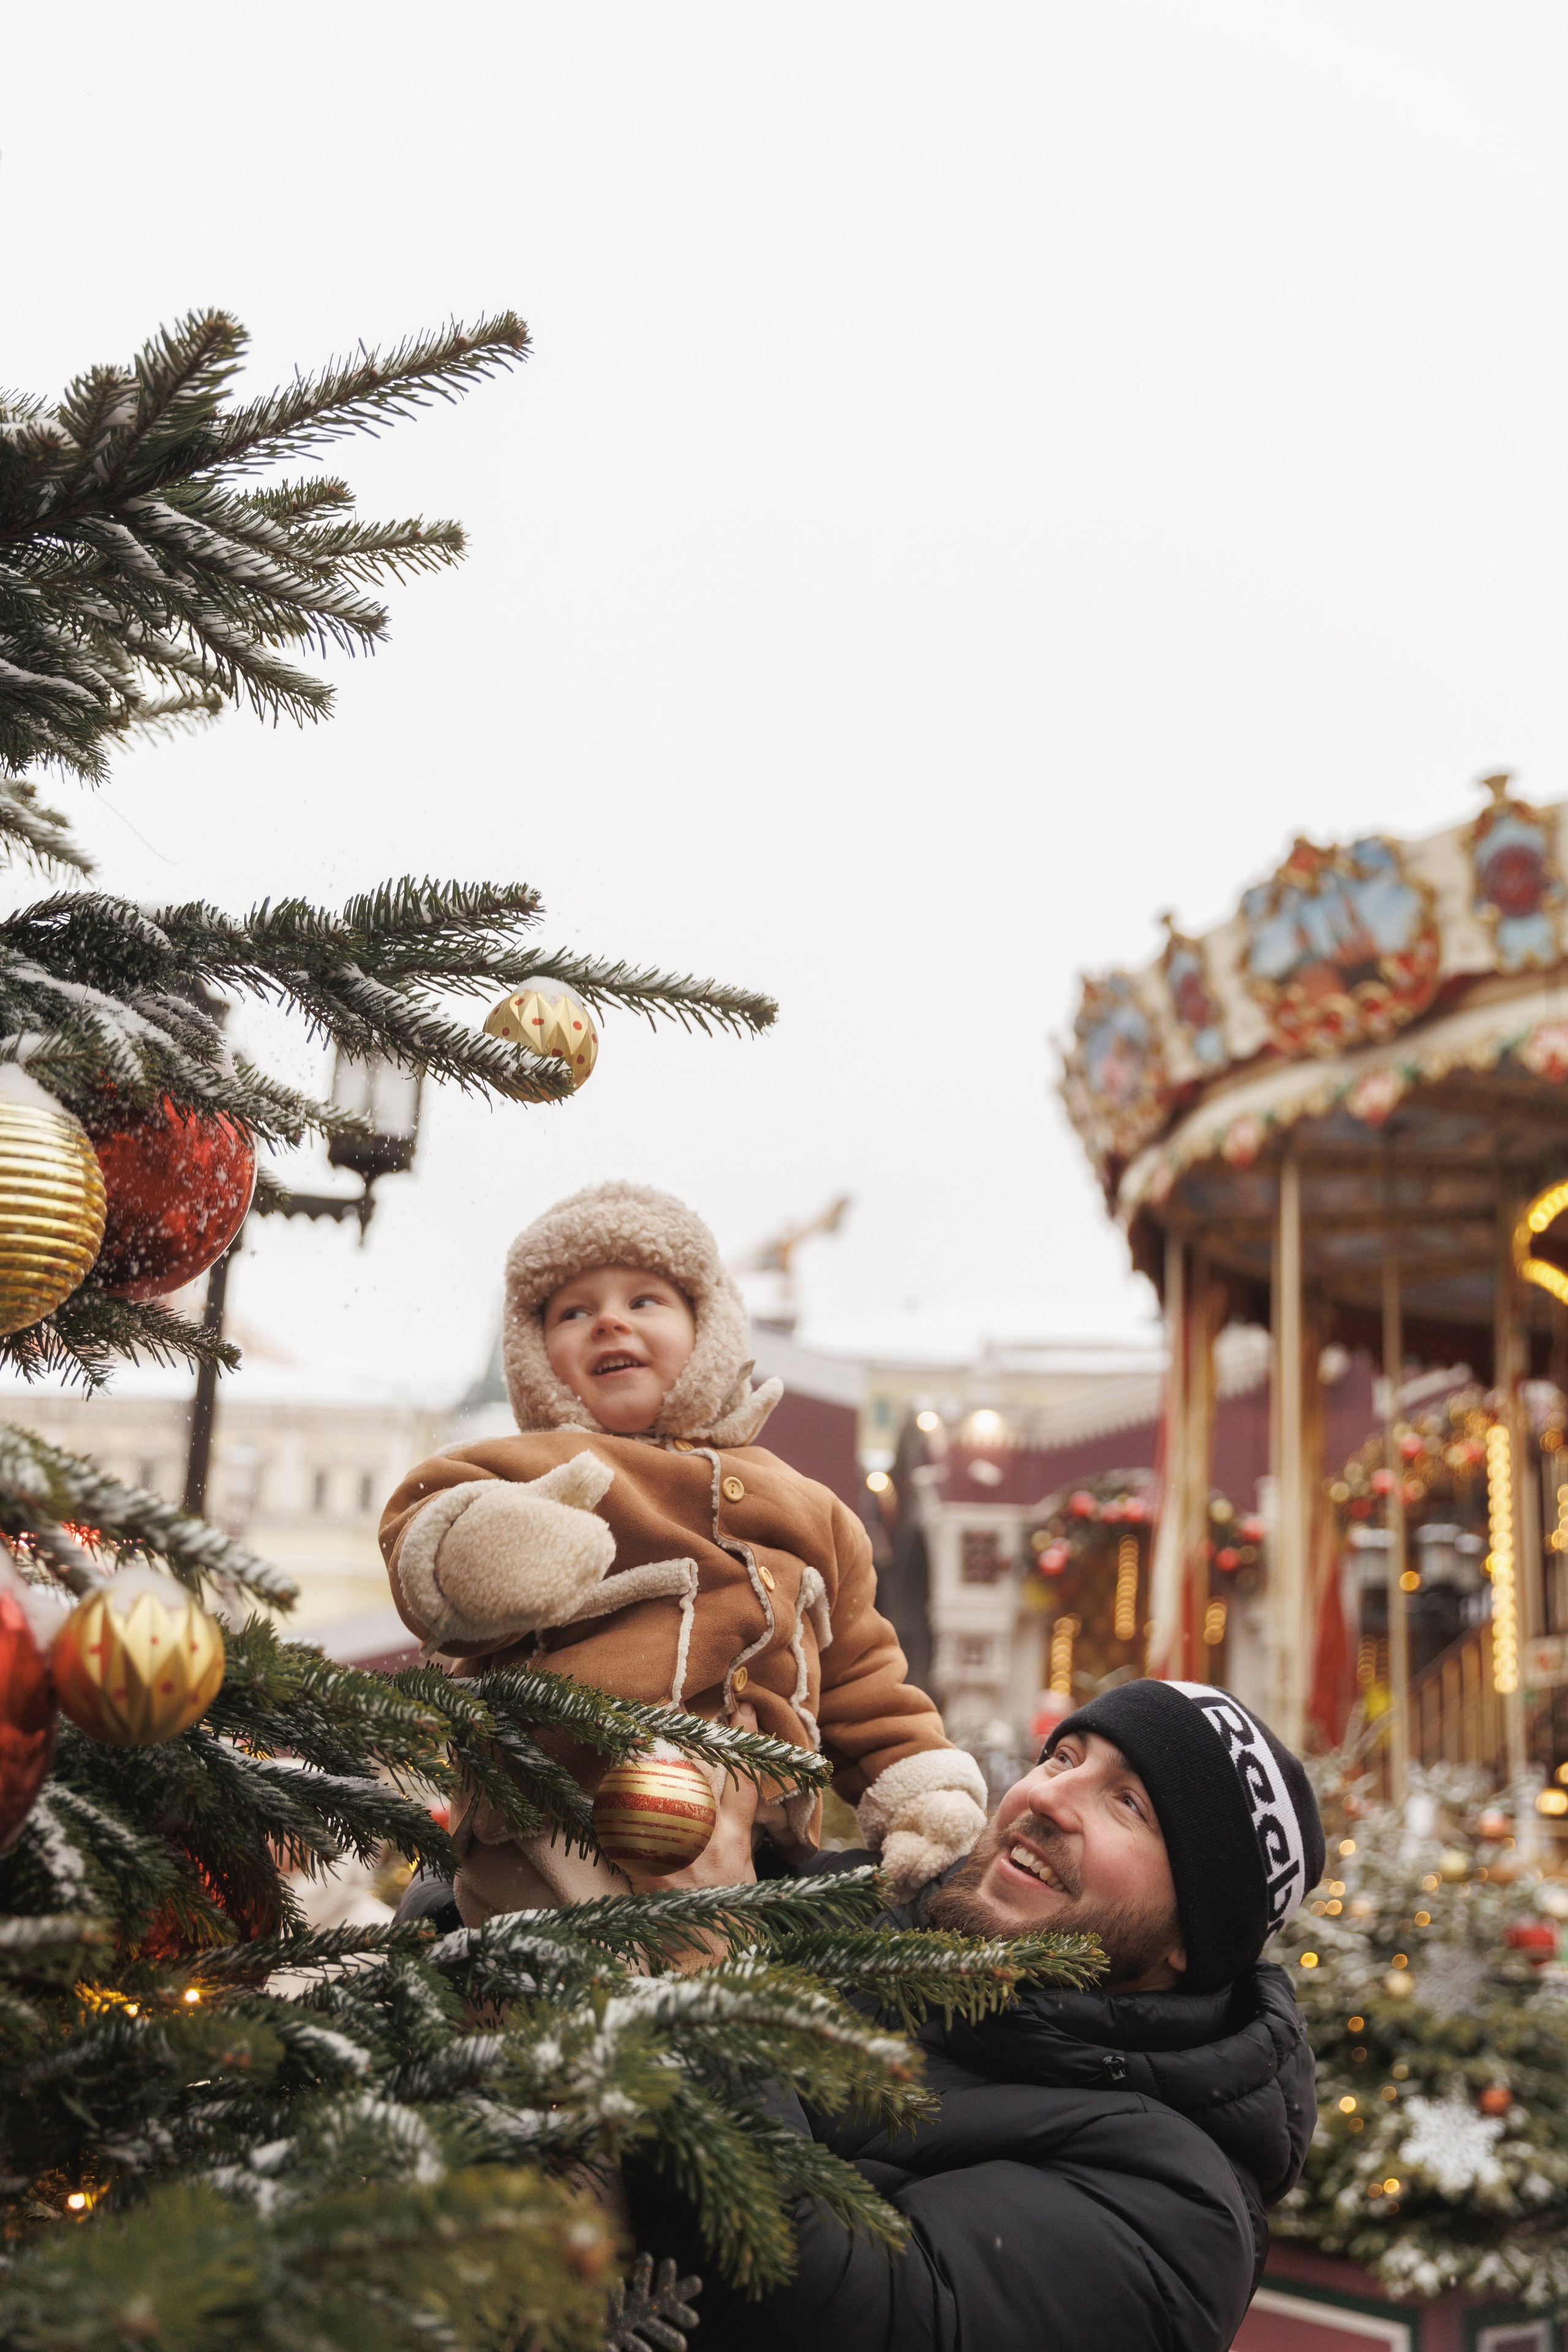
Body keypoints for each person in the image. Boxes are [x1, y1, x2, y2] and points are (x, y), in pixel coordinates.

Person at [624, 1676, 1324, 2352]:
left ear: (1190, 1942)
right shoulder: (866, 1909)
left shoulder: (1175, 2218)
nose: (1047, 1797)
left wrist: (707, 1964)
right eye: (1062, 1756)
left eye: (1129, 1804)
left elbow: (822, 2312)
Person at [380, 1181, 986, 1922]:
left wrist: (919, 1789)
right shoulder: (517, 1466)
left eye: (643, 1301)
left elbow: (864, 1673)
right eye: (574, 1311)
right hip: (559, 1809)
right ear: (536, 1355)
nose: (608, 1321)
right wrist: (488, 1552)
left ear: (708, 1331)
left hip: (743, 1835)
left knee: (711, 1990)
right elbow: (423, 1533)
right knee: (560, 1991)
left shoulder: (808, 1508)